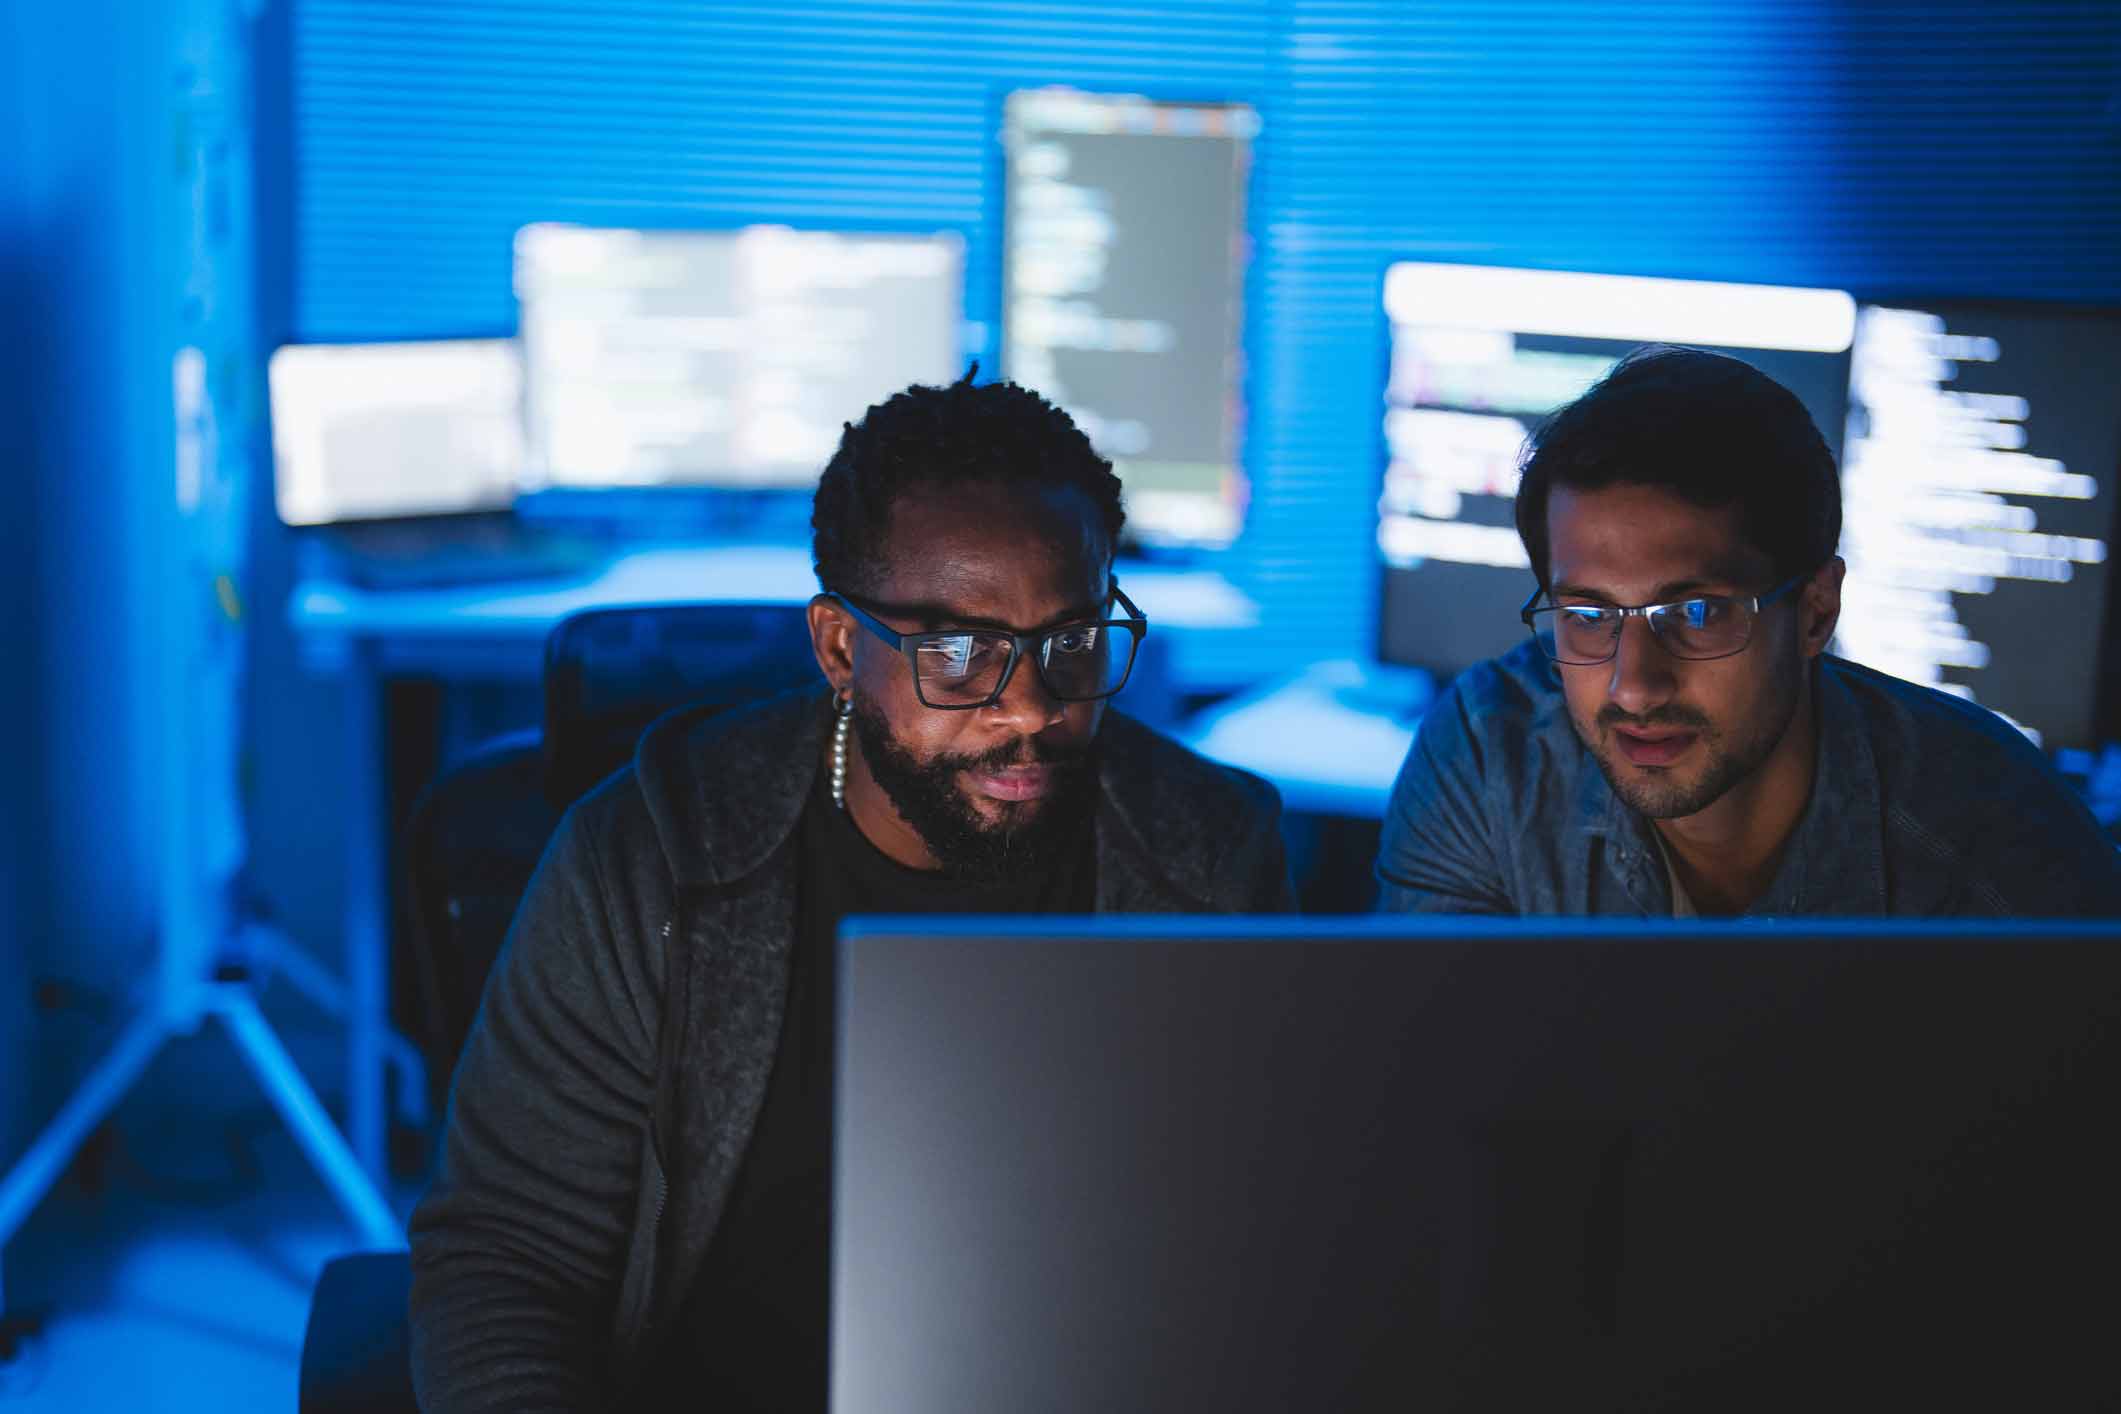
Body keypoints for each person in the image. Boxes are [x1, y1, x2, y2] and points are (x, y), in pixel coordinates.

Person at [409, 373, 1293, 1411]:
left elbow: (1259, 1263)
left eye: (1072, 643)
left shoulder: (1210, 861)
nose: (1029, 712)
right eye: (959, 655)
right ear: (838, 647)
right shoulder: (644, 858)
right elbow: (506, 1262)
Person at [1378, 345, 2121, 917]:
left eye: (1697, 613)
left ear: (1814, 614)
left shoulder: (1988, 829)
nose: (1633, 685)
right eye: (1588, 617)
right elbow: (1431, 1086)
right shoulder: (1490, 754)